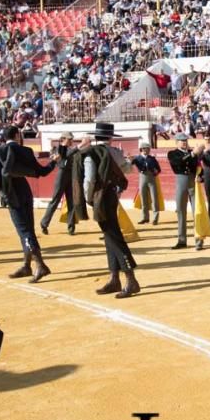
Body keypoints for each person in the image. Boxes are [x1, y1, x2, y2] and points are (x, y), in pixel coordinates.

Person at [75, 123, 140, 297]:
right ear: (110, 138)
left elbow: (89, 180)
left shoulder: (92, 154)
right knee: (109, 236)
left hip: (99, 196)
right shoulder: (116, 153)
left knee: (113, 236)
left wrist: (89, 198)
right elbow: (128, 169)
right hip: (111, 195)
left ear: (96, 137)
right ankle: (114, 279)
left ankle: (131, 279)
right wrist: (128, 161)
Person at [0, 125, 56, 283]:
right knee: (28, 229)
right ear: (17, 135)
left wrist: (0, 190)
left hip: (12, 193)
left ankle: (40, 265)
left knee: (24, 230)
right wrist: (53, 162)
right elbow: (41, 172)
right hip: (25, 191)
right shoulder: (26, 151)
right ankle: (27, 265)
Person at [167, 133, 202, 250]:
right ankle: (182, 240)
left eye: (185, 140)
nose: (184, 142)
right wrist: (193, 154)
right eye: (181, 141)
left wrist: (200, 176)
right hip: (181, 181)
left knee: (197, 211)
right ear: (176, 142)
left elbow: (199, 168)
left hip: (193, 181)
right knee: (181, 212)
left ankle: (199, 240)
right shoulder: (172, 154)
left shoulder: (193, 153)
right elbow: (178, 162)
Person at [39, 131, 78, 236]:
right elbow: (63, 156)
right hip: (61, 176)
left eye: (71, 139)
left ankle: (71, 227)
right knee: (55, 201)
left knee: (72, 202)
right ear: (63, 139)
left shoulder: (70, 149)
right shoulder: (57, 149)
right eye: (69, 139)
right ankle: (44, 223)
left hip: (70, 175)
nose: (71, 141)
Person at [131, 141, 162, 225]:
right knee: (143, 199)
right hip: (142, 178)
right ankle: (145, 218)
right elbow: (130, 163)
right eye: (144, 148)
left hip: (152, 179)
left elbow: (159, 169)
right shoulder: (137, 158)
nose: (146, 150)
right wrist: (129, 159)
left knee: (154, 199)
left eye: (147, 148)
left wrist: (156, 172)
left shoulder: (152, 159)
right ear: (141, 149)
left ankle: (155, 218)